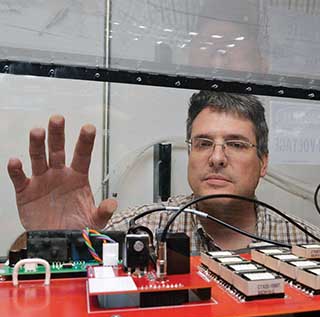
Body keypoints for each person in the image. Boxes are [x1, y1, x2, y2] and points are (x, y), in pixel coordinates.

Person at [7, 90, 320, 254]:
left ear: (263, 162)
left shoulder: (306, 241)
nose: (216, 158)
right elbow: (30, 270)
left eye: (236, 144)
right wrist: (52, 239)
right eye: (203, 143)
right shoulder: (136, 226)